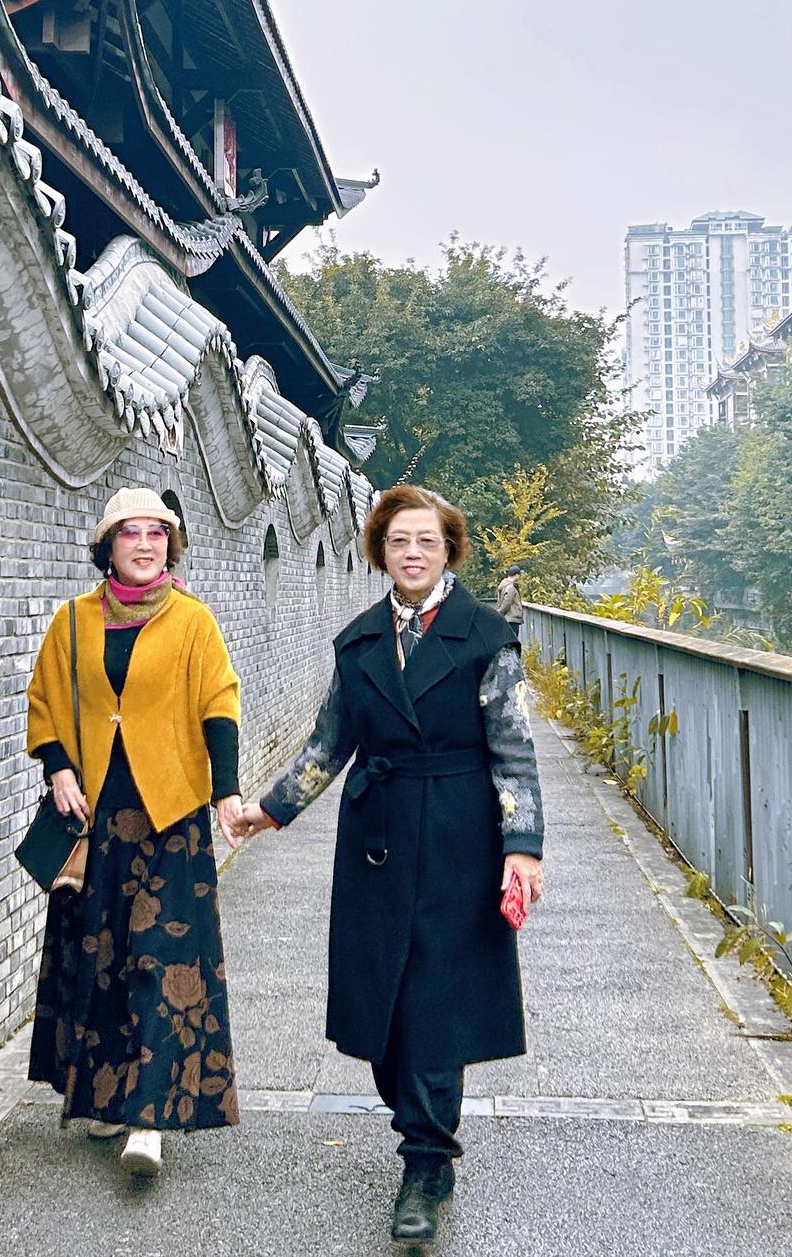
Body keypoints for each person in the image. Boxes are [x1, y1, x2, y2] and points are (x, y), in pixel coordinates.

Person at [236, 485, 544, 1246]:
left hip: (458, 837)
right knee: (383, 1005)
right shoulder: (360, 641)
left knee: (437, 1003)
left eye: (427, 541)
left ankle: (426, 1165)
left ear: (449, 550)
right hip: (375, 836)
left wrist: (523, 848)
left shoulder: (485, 637)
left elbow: (514, 749)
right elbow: (327, 744)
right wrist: (268, 810)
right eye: (399, 541)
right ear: (380, 550)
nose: (413, 553)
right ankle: (416, 1123)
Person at [25, 487, 245, 1177]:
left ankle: (149, 1118)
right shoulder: (73, 621)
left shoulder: (192, 620)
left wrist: (226, 790)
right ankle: (108, 1097)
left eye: (157, 533)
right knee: (103, 959)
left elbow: (219, 703)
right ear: (108, 545)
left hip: (170, 816)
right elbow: (44, 701)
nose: (145, 544)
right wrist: (58, 770)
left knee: (160, 959)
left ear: (171, 546)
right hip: (95, 817)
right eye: (130, 532)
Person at [496, 563, 524, 630]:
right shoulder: (510, 587)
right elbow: (507, 603)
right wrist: (500, 614)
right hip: (511, 620)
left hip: (507, 619)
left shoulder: (504, 585)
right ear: (516, 575)